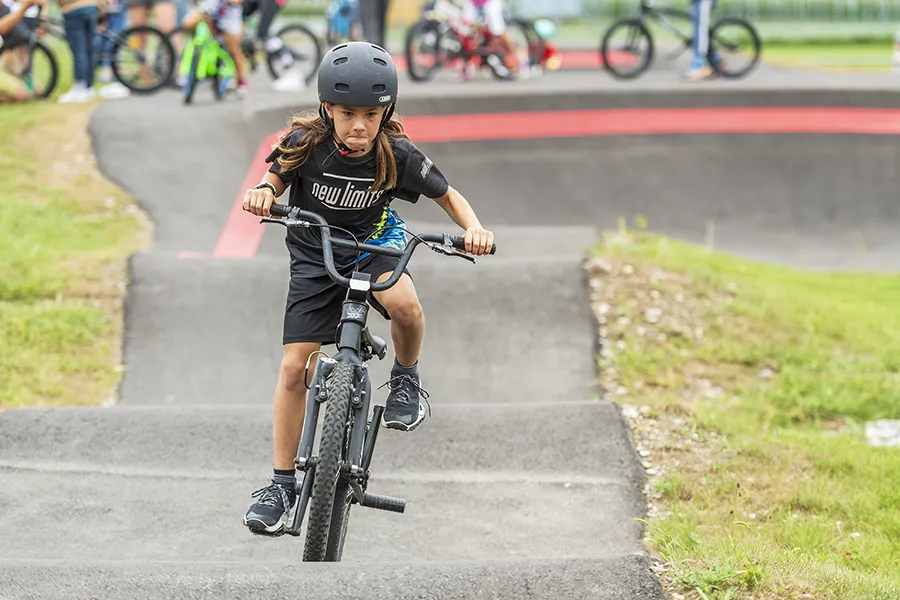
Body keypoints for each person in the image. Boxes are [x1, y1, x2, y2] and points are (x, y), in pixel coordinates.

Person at [240, 41, 495, 535]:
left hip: (373, 240)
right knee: (294, 368)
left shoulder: (394, 153)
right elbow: (271, 181)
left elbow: (449, 196)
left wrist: (475, 229)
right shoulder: (303, 142)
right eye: (347, 114)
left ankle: (405, 377)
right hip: (316, 250)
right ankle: (280, 484)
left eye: (371, 115)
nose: (359, 126)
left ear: (387, 113)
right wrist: (263, 193)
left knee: (405, 305)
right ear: (326, 110)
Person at [181, 0, 248, 96]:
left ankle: (241, 80)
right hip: (211, 3)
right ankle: (196, 48)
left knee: (233, 48)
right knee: (188, 23)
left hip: (229, 11)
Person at [57, 0, 101, 102]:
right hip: (91, 7)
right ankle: (89, 86)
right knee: (90, 50)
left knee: (79, 51)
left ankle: (80, 86)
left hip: (72, 9)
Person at [0, 0, 43, 102]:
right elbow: (2, 27)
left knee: (38, 92)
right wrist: (25, 7)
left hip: (19, 63)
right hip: (7, 61)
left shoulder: (6, 8)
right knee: (23, 95)